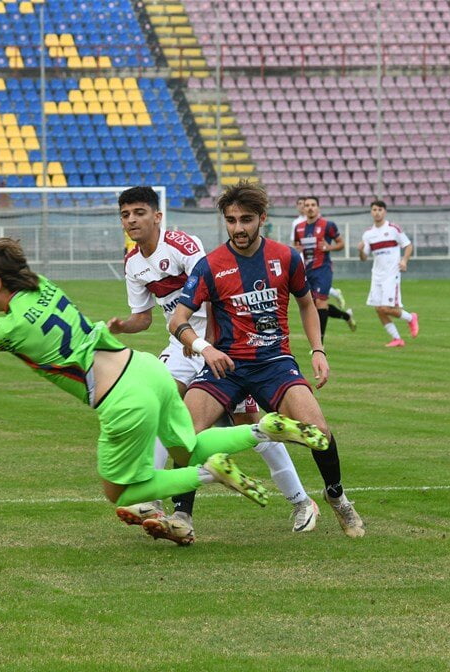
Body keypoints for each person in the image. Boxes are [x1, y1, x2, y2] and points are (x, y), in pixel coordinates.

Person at [0, 239, 331, 539]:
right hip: (145, 369)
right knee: (185, 442)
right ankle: (263, 428)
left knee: (121, 493)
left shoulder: (6, 330)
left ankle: (209, 476)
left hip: (121, 399)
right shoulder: (38, 286)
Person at [107, 186, 318, 545]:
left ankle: (302, 501)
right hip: (183, 344)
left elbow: (215, 288)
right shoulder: (133, 263)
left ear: (157, 216)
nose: (132, 221)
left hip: (224, 344)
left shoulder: (182, 246)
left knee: (248, 423)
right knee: (163, 410)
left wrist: (207, 346)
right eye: (126, 215)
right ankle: (156, 501)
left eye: (139, 213)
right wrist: (122, 326)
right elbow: (142, 319)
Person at [170, 180, 365, 538]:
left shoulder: (286, 257)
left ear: (262, 218)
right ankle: (182, 516)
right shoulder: (209, 266)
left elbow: (306, 303)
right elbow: (177, 320)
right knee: (186, 431)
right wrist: (204, 348)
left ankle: (336, 497)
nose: (238, 228)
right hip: (225, 365)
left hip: (275, 363)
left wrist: (317, 350)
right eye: (230, 220)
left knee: (318, 431)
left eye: (245, 219)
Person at [292, 196, 355, 338]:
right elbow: (297, 246)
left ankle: (319, 344)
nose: (310, 207)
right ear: (303, 208)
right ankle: (346, 316)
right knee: (315, 305)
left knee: (320, 302)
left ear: (318, 207)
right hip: (307, 270)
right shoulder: (299, 227)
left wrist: (329, 247)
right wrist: (298, 249)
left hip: (323, 269)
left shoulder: (328, 225)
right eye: (307, 205)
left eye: (313, 205)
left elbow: (341, 244)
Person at [358, 199, 418, 347]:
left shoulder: (393, 229)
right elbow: (364, 258)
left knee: (386, 308)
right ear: (371, 212)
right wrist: (360, 250)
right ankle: (397, 339)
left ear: (384, 212)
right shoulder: (368, 234)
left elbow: (408, 245)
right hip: (377, 275)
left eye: (379, 210)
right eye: (374, 210)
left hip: (391, 274)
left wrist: (404, 260)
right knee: (379, 309)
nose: (377, 212)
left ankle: (411, 318)